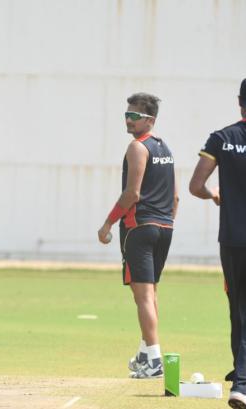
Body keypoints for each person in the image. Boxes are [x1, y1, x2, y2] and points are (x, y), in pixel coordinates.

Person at [97, 93, 178, 379]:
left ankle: (154, 359)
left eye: (134, 116)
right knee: (149, 292)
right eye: (126, 114)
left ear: (150, 120)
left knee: (142, 294)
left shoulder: (137, 147)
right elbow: (175, 195)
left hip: (139, 227)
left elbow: (133, 193)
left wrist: (107, 224)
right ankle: (146, 353)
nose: (128, 120)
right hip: (164, 226)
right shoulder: (164, 147)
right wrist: (166, 222)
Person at [189, 78, 246, 408]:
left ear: (240, 101)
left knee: (237, 307)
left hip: (233, 240)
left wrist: (214, 195)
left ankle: (240, 375)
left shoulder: (222, 138)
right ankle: (242, 381)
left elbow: (197, 184)